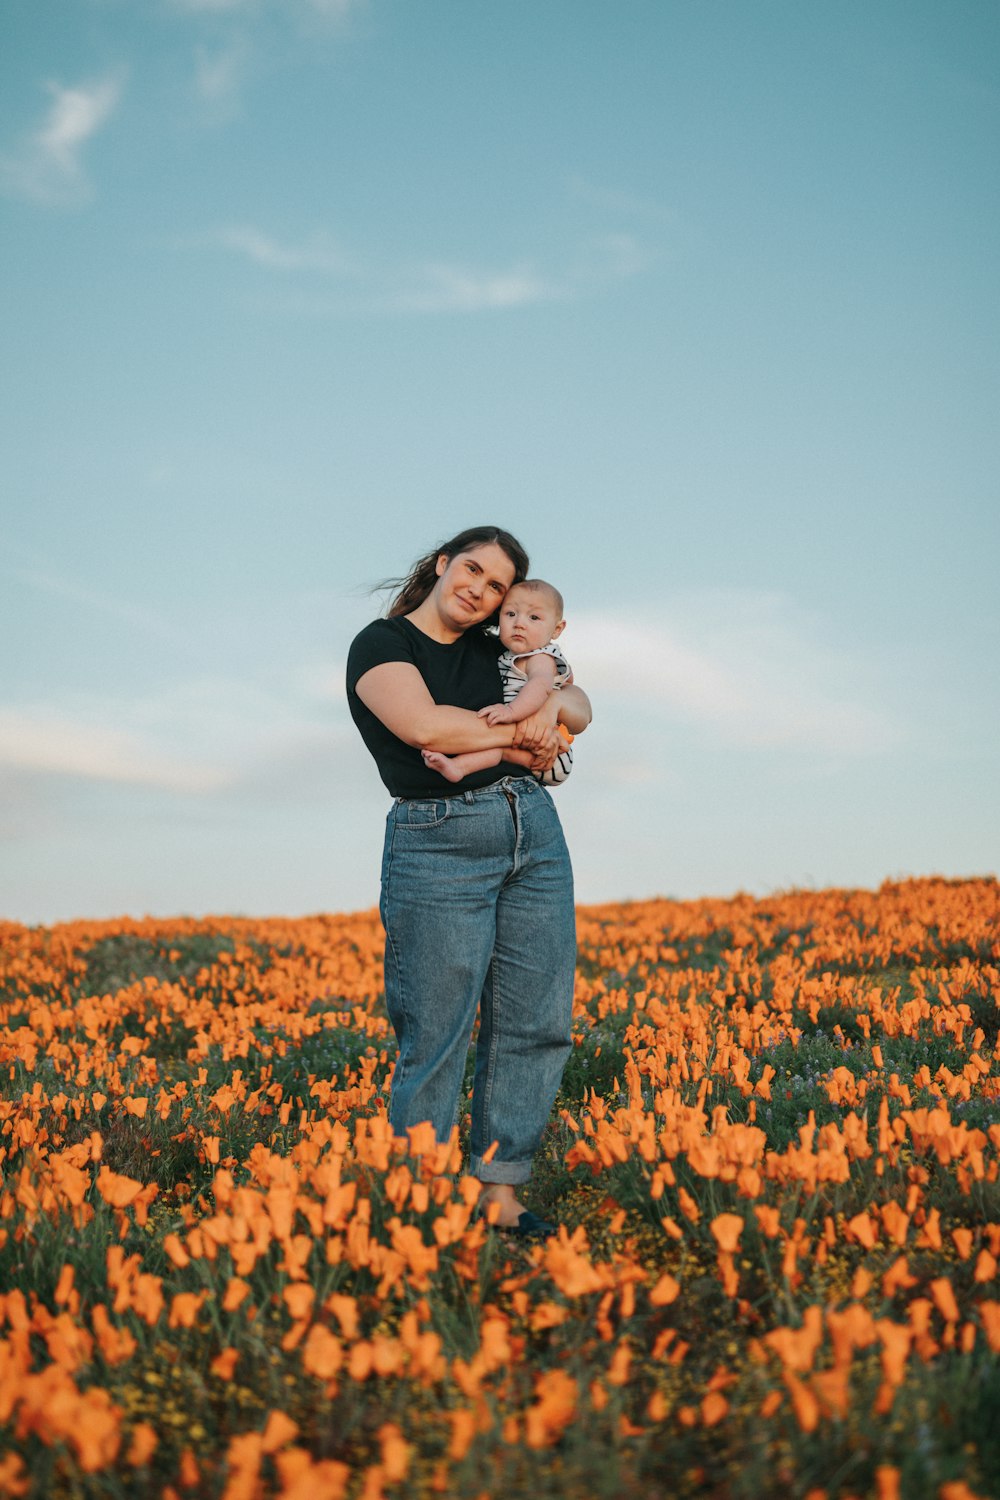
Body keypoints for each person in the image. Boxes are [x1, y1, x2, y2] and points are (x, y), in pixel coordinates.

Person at [346, 526, 592, 1236]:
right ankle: (419, 1202)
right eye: (473, 570)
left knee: (536, 1020)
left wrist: (546, 708)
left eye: (496, 586)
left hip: (533, 829)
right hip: (438, 839)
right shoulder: (383, 644)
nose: (479, 590)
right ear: (444, 562)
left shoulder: (503, 648)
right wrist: (526, 735)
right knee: (437, 1029)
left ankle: (500, 1193)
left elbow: (582, 708)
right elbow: (430, 729)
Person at [421, 577, 574, 786]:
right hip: (531, 747)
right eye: (511, 614)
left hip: (551, 754)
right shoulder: (507, 655)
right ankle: (457, 767)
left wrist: (511, 712)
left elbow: (541, 685)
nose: (519, 623)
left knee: (495, 745)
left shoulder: (541, 657)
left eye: (534, 617)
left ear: (557, 629)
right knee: (492, 742)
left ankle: (459, 767)